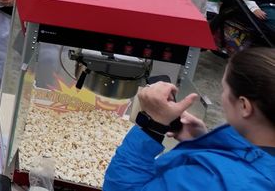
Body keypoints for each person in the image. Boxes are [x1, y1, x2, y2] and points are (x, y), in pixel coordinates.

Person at [103, 48, 275, 191]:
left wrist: (152, 126)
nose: (222, 96)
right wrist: (204, 142)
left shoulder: (208, 180)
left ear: (244, 106)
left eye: (224, 89)